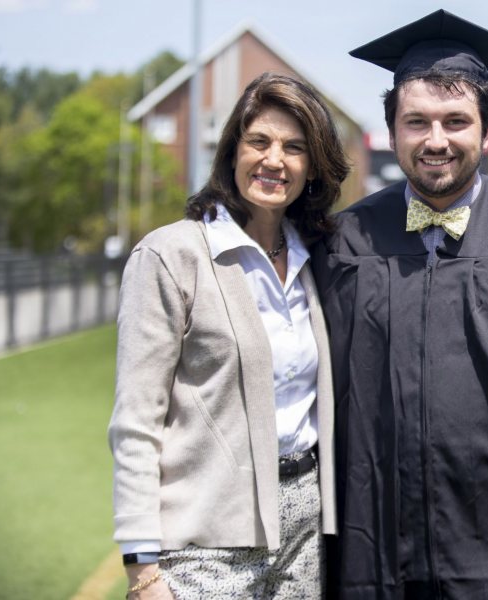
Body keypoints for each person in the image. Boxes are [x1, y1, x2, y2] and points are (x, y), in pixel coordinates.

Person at [311, 10, 488, 599]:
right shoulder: (344, 242)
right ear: (391, 133)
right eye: (417, 122)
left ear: (486, 133)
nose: (436, 140)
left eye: (455, 121)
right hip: (376, 559)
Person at [108, 72, 349, 599]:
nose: (273, 160)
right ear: (232, 152)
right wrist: (142, 572)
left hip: (305, 536)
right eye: (258, 141)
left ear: (313, 168)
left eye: (294, 148)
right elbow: (135, 424)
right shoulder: (170, 257)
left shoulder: (318, 260)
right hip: (203, 545)